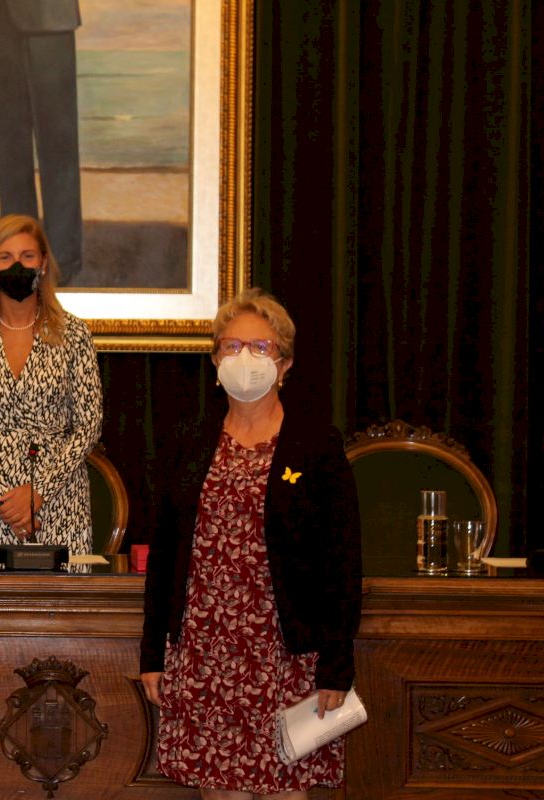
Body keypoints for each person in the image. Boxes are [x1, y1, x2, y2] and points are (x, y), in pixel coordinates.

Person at [139, 288, 362, 799]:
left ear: (285, 364)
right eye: (232, 346)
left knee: (285, 789)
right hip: (204, 651)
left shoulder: (315, 444)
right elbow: (165, 557)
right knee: (220, 788)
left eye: (261, 347)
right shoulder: (189, 441)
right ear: (215, 360)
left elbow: (342, 560)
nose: (245, 358)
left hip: (286, 654)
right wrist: (153, 652)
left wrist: (336, 664)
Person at [0, 213, 102, 555]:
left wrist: (39, 491)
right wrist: (7, 501)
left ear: (43, 264)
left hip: (58, 498)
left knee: (60, 590)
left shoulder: (74, 335)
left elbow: (89, 425)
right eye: (5, 257)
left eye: (27, 256)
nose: (17, 265)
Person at [0, 0, 83, 281]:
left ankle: (62, 255)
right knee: (8, 138)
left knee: (57, 140)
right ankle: (12, 248)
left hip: (48, 15)